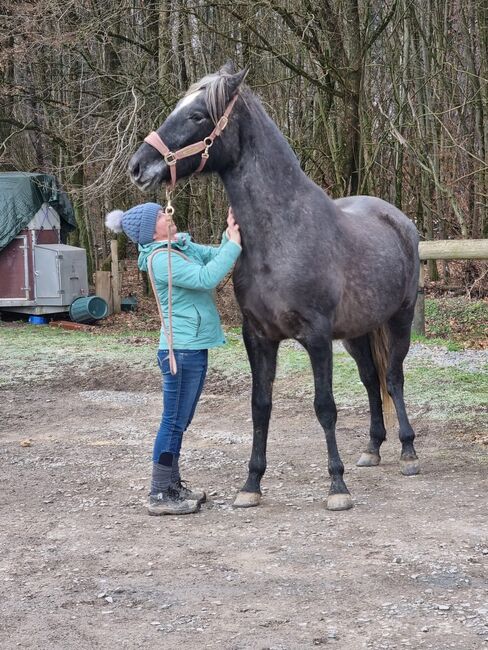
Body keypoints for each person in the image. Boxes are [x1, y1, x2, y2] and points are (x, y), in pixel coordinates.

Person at [105, 202, 241, 515]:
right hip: (180, 351)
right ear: (151, 230)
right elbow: (207, 278)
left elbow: (212, 257)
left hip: (192, 346)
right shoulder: (161, 259)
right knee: (173, 422)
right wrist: (233, 246)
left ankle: (172, 484)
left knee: (180, 421)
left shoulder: (179, 247)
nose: (169, 215)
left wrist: (229, 233)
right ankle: (159, 494)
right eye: (161, 215)